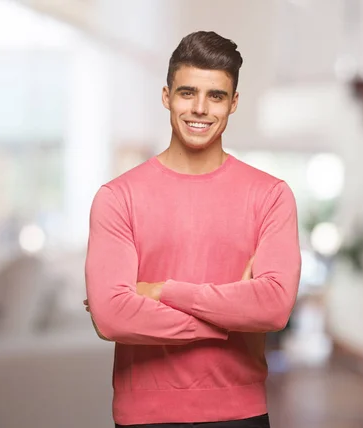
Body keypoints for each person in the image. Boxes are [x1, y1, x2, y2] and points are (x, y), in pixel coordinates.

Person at [84, 31, 301, 428]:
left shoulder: (271, 196)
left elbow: (274, 305)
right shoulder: (117, 198)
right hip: (144, 417)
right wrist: (228, 319)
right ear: (166, 96)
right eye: (187, 93)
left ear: (233, 103)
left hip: (241, 413)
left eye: (215, 96)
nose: (200, 109)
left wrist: (160, 291)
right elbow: (112, 316)